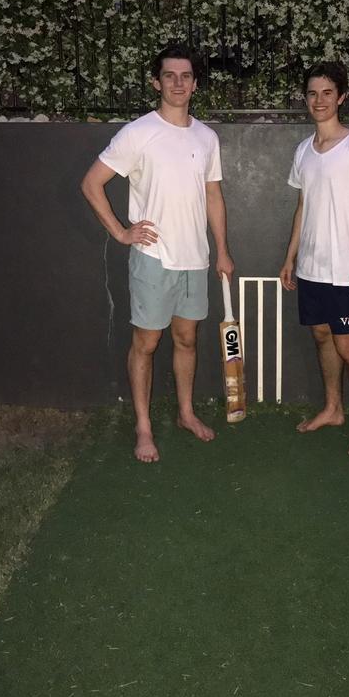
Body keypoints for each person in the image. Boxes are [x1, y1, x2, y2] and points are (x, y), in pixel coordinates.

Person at [81, 45, 234, 463]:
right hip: (154, 258)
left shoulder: (206, 136)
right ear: (156, 82)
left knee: (187, 339)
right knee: (146, 343)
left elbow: (213, 195)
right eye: (170, 75)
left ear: (195, 83)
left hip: (196, 258)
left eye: (186, 76)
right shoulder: (138, 132)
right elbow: (92, 183)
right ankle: (143, 428)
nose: (178, 83)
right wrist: (120, 232)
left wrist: (222, 250)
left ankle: (186, 413)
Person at [279, 61, 349, 457]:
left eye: (327, 93)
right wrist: (290, 257)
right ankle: (333, 409)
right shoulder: (303, 151)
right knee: (322, 335)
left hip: (346, 271)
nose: (318, 100)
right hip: (310, 267)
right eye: (312, 93)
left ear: (341, 97)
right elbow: (303, 206)